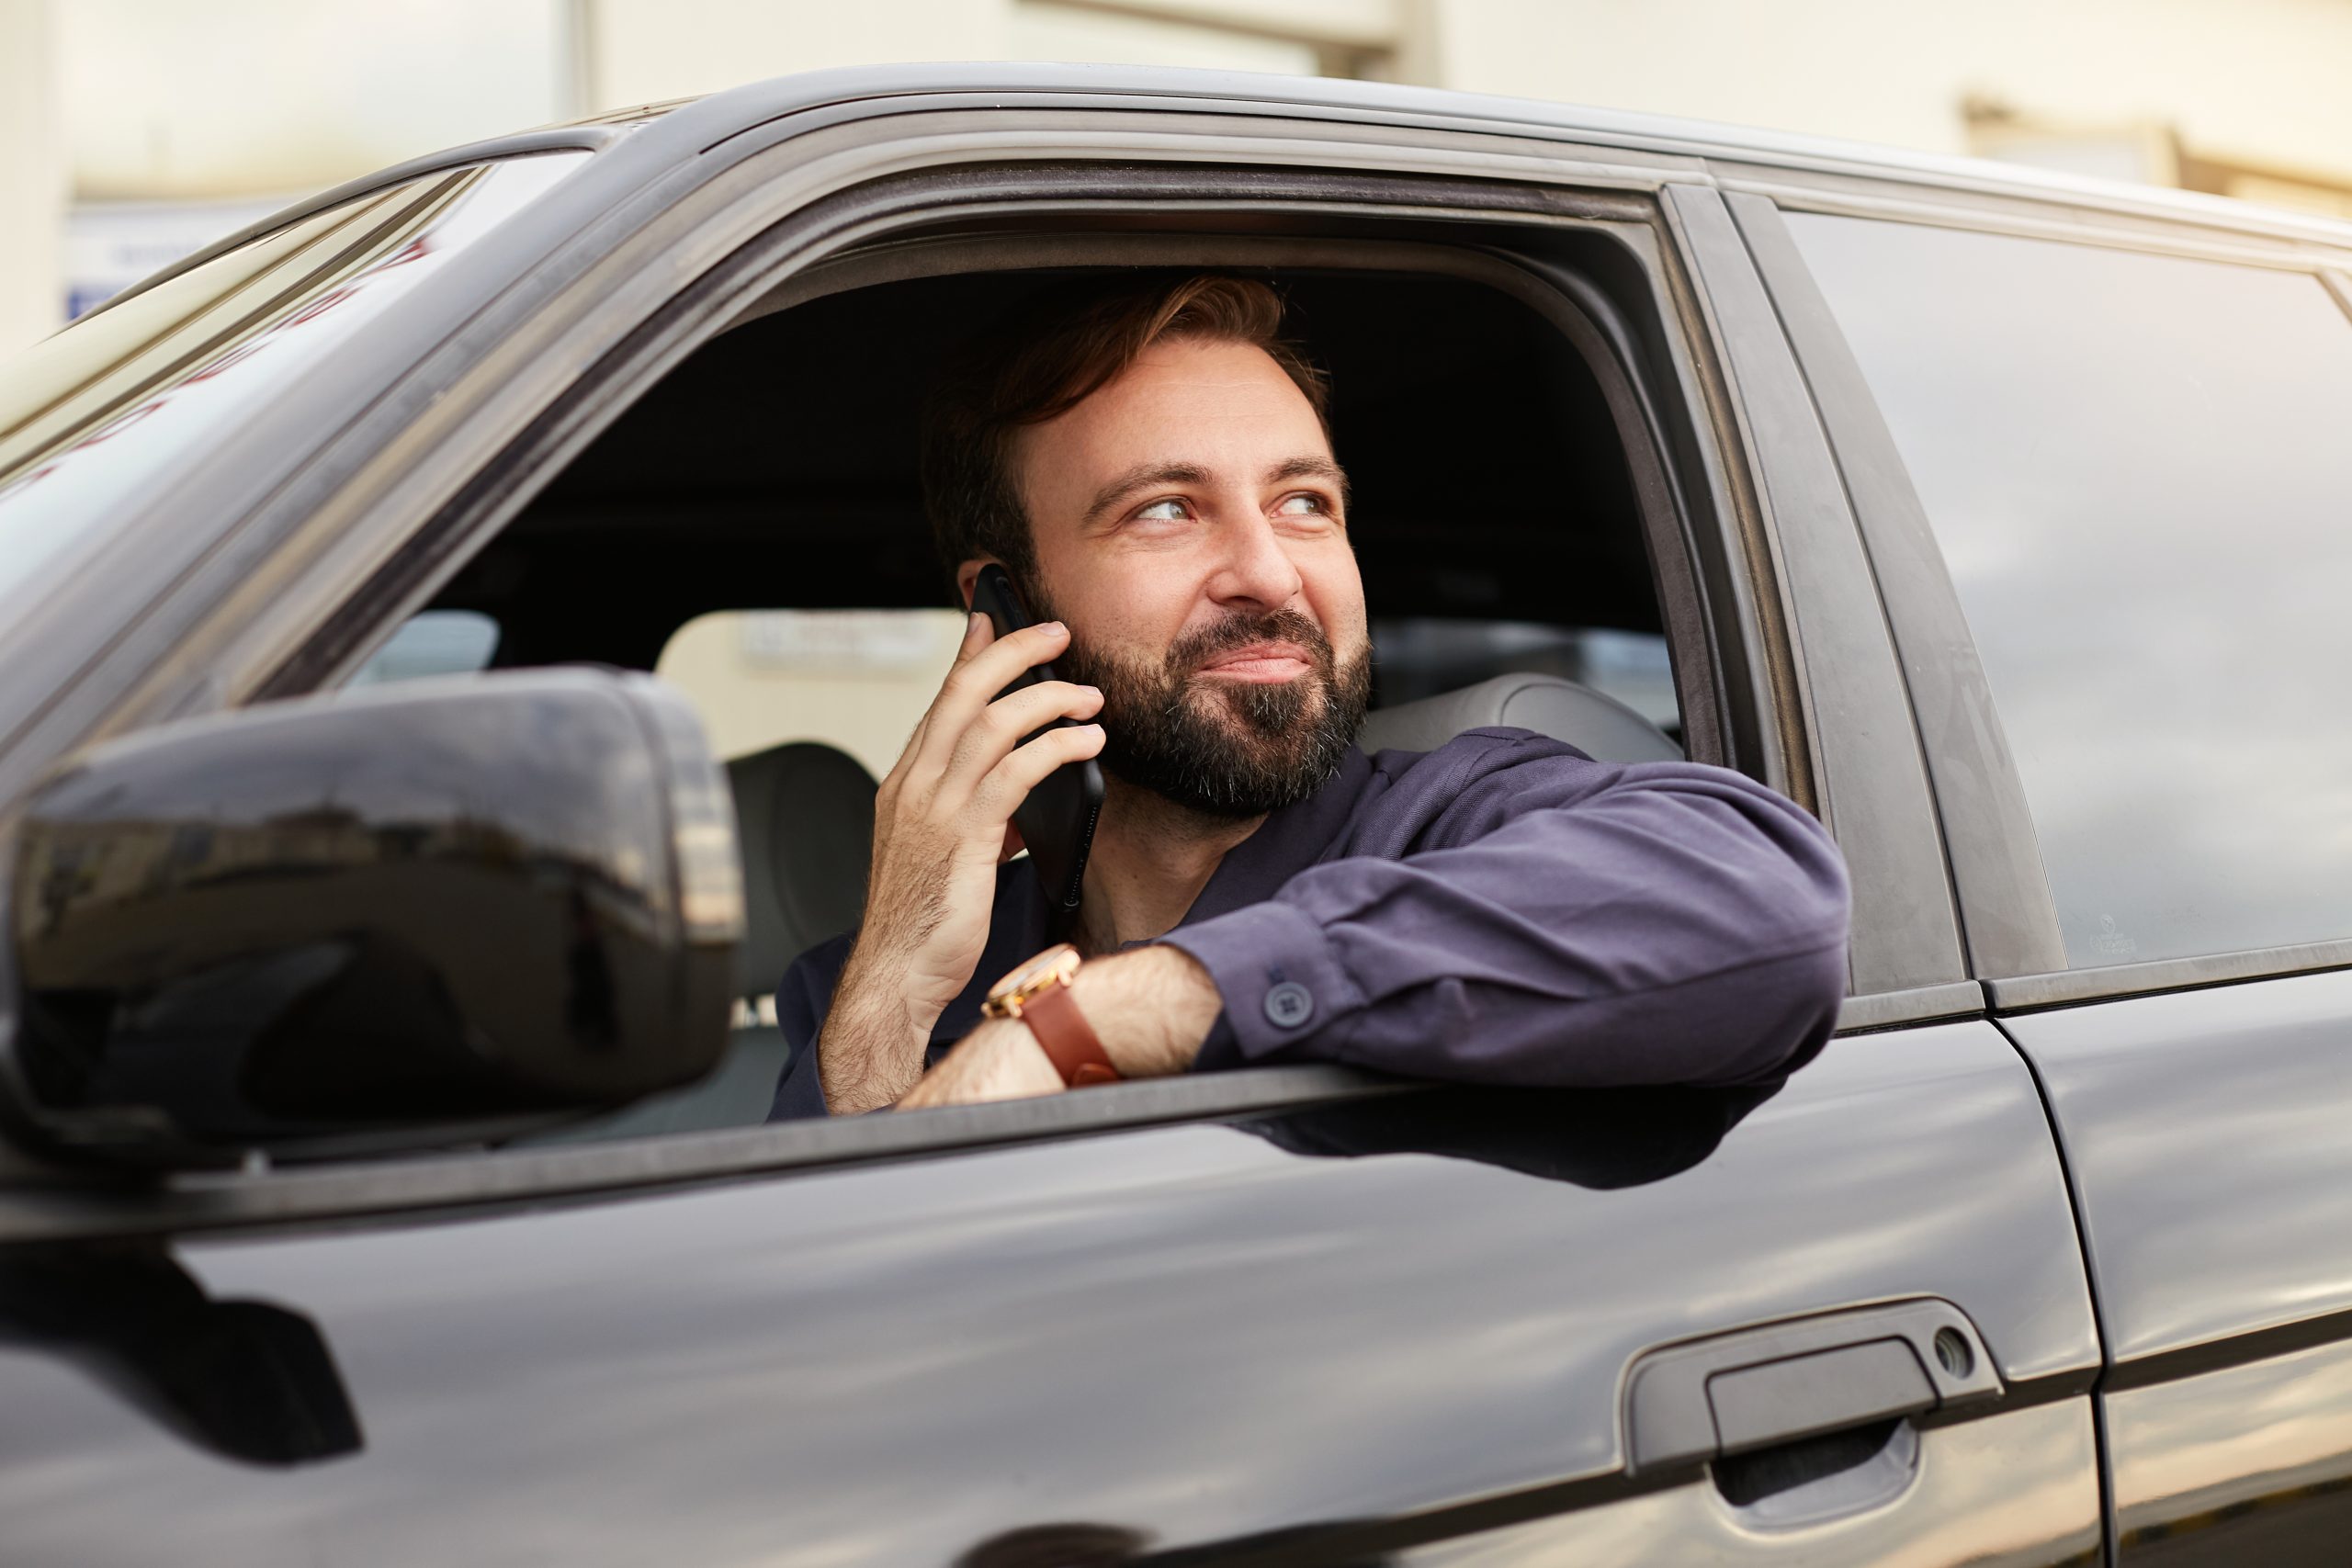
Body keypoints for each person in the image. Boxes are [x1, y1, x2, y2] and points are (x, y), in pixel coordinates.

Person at [767, 275, 1849, 1120]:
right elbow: (792, 1338)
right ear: (1003, 607)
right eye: (1163, 511)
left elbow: (1770, 907)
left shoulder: (1459, 827)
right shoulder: (883, 978)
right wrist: (894, 991)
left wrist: (1096, 1021)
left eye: (1302, 502)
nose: (1272, 573)